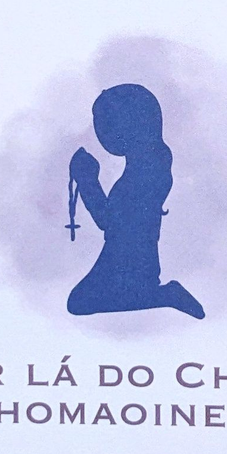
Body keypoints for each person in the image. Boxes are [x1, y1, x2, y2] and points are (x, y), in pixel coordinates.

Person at [67, 83, 205, 319]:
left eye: (105, 124)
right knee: (80, 301)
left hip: (128, 261)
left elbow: (107, 221)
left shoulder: (144, 173)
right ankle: (159, 294)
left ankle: (164, 295)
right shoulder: (153, 164)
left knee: (80, 302)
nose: (101, 134)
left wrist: (88, 179)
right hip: (128, 257)